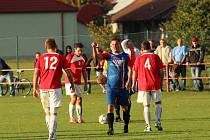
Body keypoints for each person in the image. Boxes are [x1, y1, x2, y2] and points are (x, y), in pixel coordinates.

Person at [33, 38, 75, 140]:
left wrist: (35, 87)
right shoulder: (60, 57)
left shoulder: (41, 58)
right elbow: (68, 73)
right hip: (55, 88)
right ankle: (52, 134)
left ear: (46, 47)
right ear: (55, 46)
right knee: (54, 112)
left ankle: (51, 134)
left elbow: (35, 73)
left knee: (47, 112)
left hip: (43, 88)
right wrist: (72, 85)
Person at [92, 38, 132, 135]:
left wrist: (129, 82)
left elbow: (130, 70)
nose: (115, 46)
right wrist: (94, 48)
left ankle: (126, 125)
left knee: (125, 108)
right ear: (110, 46)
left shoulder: (125, 56)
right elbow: (97, 57)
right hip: (111, 87)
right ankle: (111, 129)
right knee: (110, 106)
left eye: (116, 44)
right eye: (113, 44)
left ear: (119, 45)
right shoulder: (108, 55)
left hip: (123, 86)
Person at [132, 41, 164, 132]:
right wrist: (161, 82)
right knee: (158, 103)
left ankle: (148, 126)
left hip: (143, 85)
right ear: (150, 47)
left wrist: (134, 84)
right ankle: (158, 122)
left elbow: (135, 72)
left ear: (141, 49)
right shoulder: (155, 56)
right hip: (155, 84)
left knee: (146, 105)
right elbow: (161, 71)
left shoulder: (138, 58)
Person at [113, 39, 139, 123]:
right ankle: (117, 116)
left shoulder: (136, 50)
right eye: (128, 42)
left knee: (127, 97)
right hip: (122, 76)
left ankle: (127, 115)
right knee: (116, 97)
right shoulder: (125, 51)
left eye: (130, 42)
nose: (129, 43)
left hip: (130, 76)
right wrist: (128, 40)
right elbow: (123, 43)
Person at [65, 43, 87, 124]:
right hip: (70, 82)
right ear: (75, 50)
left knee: (79, 99)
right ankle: (71, 118)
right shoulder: (69, 57)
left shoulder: (83, 58)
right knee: (74, 98)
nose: (80, 52)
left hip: (78, 82)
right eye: (78, 50)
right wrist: (69, 77)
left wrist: (86, 82)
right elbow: (64, 68)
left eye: (81, 50)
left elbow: (84, 71)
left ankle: (79, 118)